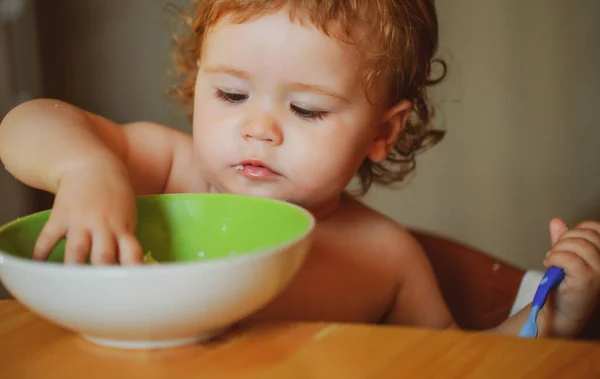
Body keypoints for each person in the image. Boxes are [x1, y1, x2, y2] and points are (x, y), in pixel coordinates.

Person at [0, 0, 598, 338]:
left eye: (306, 108)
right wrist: (87, 168)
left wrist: (554, 314)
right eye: (231, 95)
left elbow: (453, 365)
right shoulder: (166, 168)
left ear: (382, 133)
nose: (260, 128)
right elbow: (25, 123)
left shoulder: (383, 258)